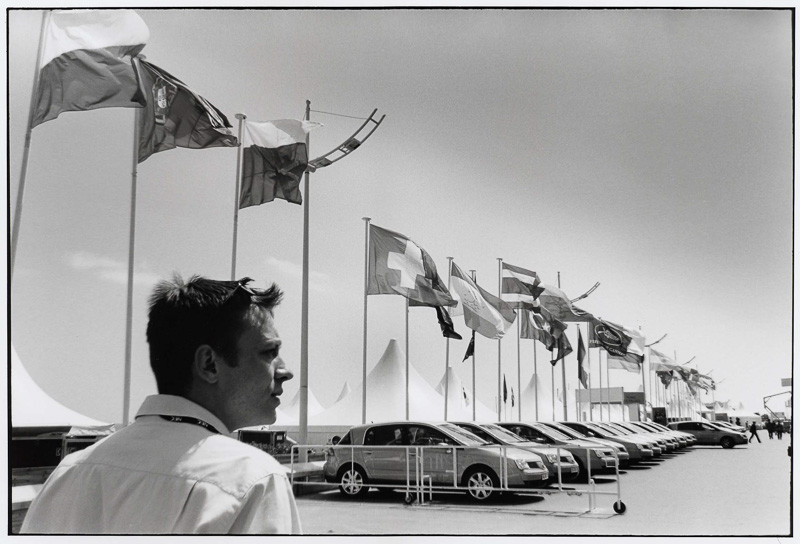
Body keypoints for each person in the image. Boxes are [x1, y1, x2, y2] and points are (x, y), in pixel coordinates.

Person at [21, 275, 301, 534]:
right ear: (209, 365)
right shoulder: (253, 480)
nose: (285, 371)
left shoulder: (69, 472)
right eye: (269, 352)